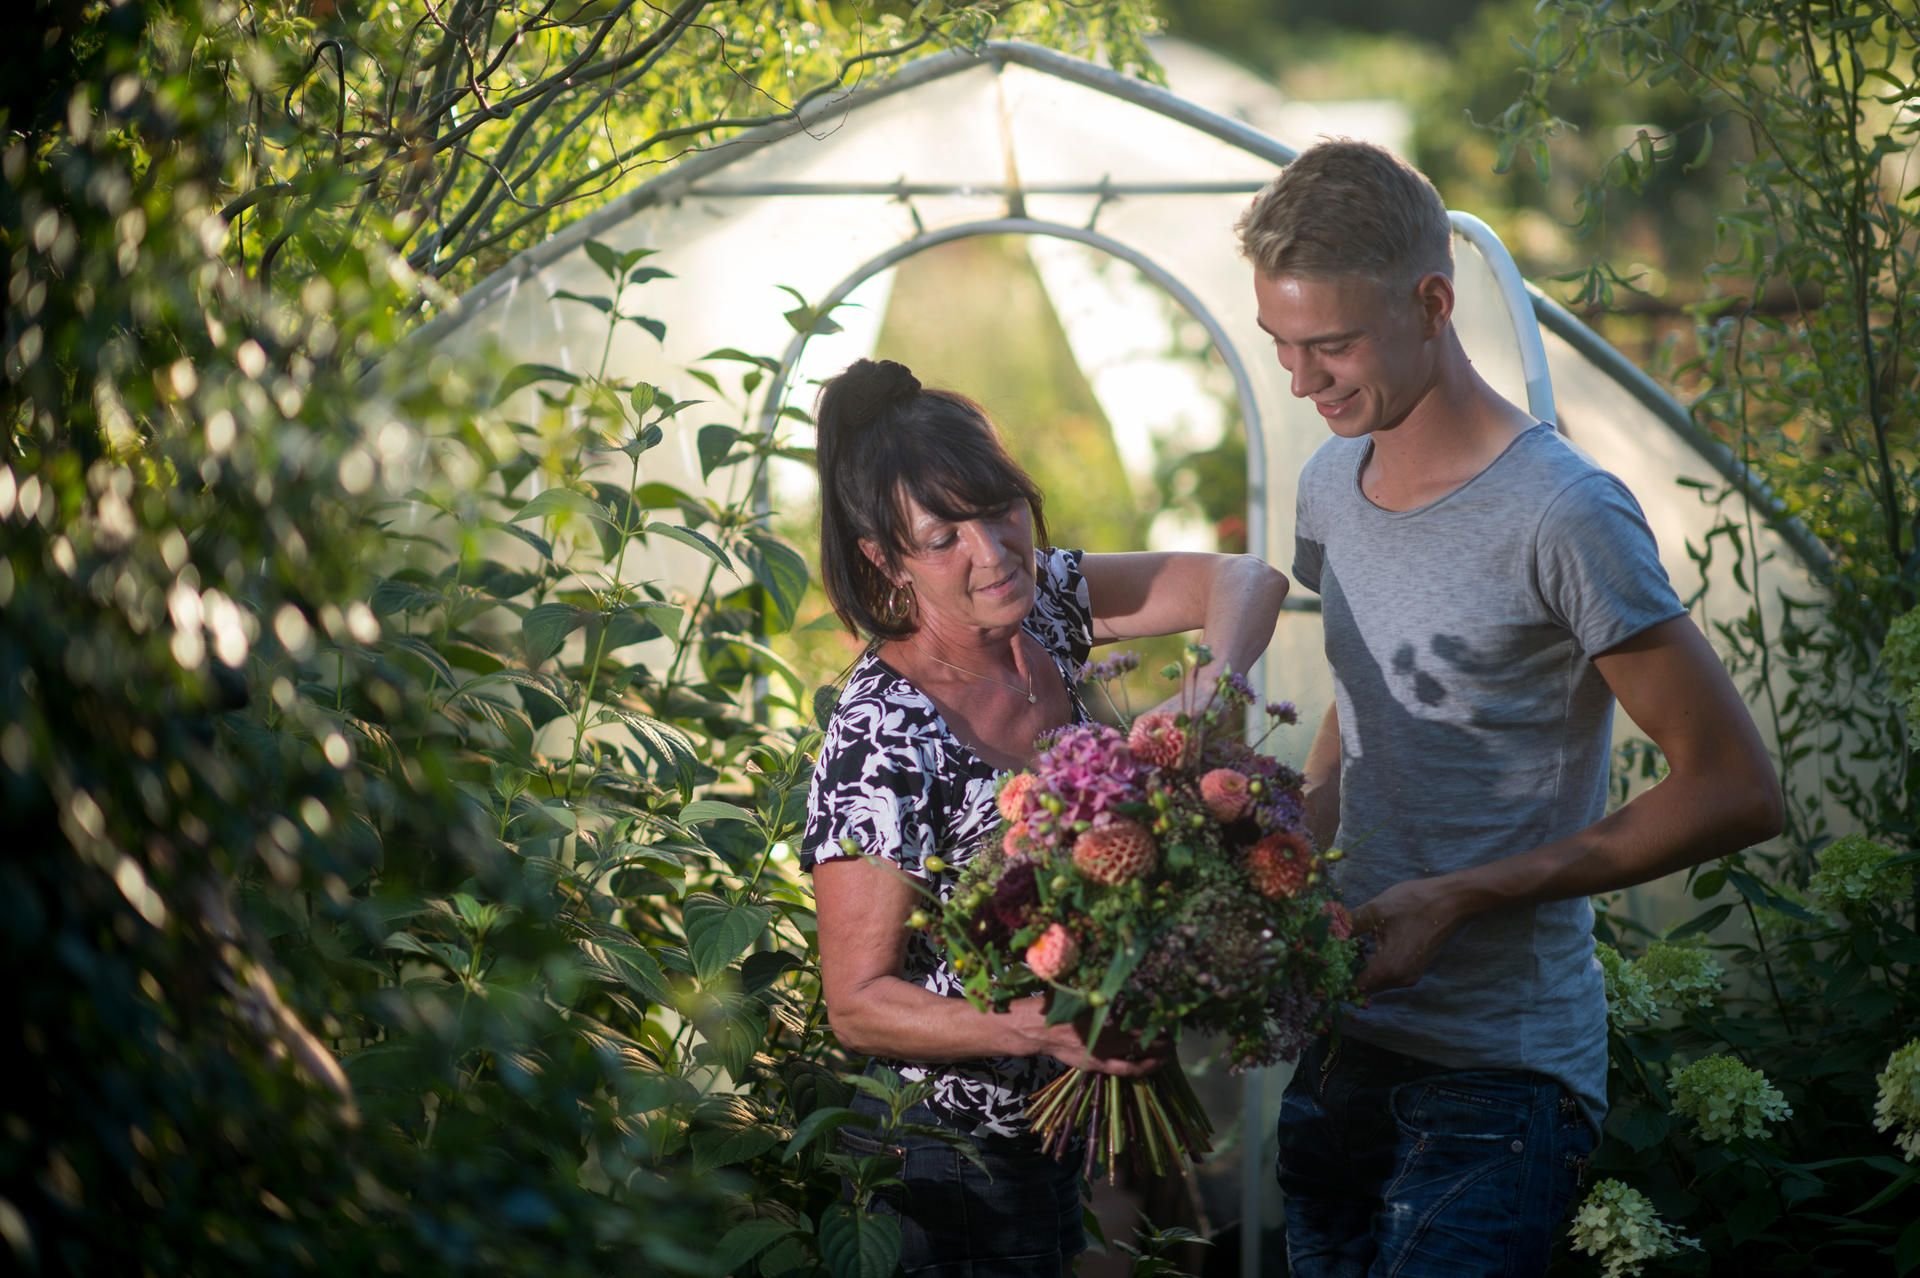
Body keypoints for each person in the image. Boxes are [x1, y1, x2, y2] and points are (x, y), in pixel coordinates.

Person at [1237, 140, 1784, 1277]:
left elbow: (1736, 788)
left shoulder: (1565, 512)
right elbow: (1363, 687)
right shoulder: (1329, 484)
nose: (1302, 381)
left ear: (1432, 301)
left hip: (1501, 1074)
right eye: (1280, 345)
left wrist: (1461, 896)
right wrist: (1291, 844)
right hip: (1343, 1049)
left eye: (1330, 344)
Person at [801, 357, 1289, 1277]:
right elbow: (856, 1005)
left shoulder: (1045, 611)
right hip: (943, 1163)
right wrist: (1041, 1027)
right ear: (884, 559)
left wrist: (1210, 693)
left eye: (1000, 510)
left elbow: (1246, 578)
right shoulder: (883, 738)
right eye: (943, 536)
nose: (991, 550)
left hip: (1050, 1133)